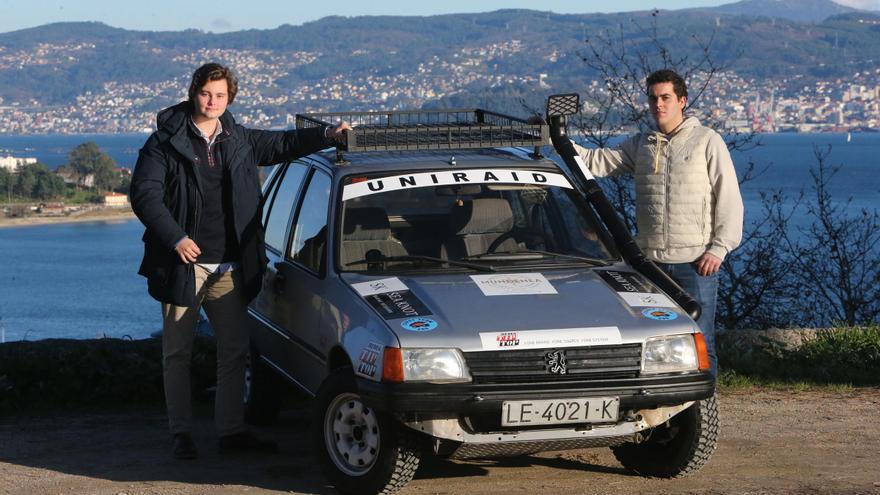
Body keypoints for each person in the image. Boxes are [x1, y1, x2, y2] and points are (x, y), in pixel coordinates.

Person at [130, 63, 349, 459]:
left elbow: (284, 144)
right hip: (185, 266)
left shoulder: (239, 138)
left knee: (234, 351)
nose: (212, 102)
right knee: (176, 353)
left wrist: (328, 135)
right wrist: (175, 237)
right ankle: (181, 434)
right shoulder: (164, 142)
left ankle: (231, 431)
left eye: (220, 95)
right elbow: (144, 195)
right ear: (193, 92)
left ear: (230, 98)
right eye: (205, 94)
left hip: (232, 266)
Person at [571, 69, 743, 378]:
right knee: (654, 346)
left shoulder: (707, 141)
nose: (658, 105)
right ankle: (666, 414)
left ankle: (700, 416)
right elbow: (598, 161)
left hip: (695, 264)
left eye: (665, 98)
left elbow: (729, 196)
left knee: (700, 342)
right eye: (653, 99)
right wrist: (560, 142)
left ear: (682, 101)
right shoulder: (642, 144)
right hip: (650, 266)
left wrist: (719, 248)